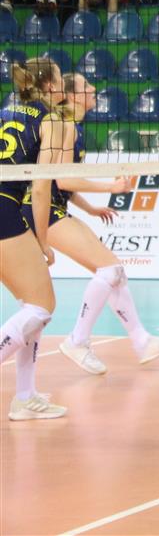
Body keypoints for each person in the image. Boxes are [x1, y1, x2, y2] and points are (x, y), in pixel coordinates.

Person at [22, 74, 159, 375]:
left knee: (114, 273)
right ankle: (78, 340)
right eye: (86, 87)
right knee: (109, 270)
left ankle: (142, 342)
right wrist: (111, 186)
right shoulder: (65, 126)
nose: (93, 89)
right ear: (72, 96)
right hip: (42, 211)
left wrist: (91, 208)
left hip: (53, 207)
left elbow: (60, 183)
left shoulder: (72, 125)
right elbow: (63, 180)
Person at [0, 58, 71, 421]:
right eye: (60, 79)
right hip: (4, 207)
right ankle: (25, 397)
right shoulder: (52, 120)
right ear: (49, 86)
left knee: (32, 306)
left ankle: (26, 396)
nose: (64, 86)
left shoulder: (4, 111)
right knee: (42, 307)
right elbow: (42, 189)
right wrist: (43, 242)